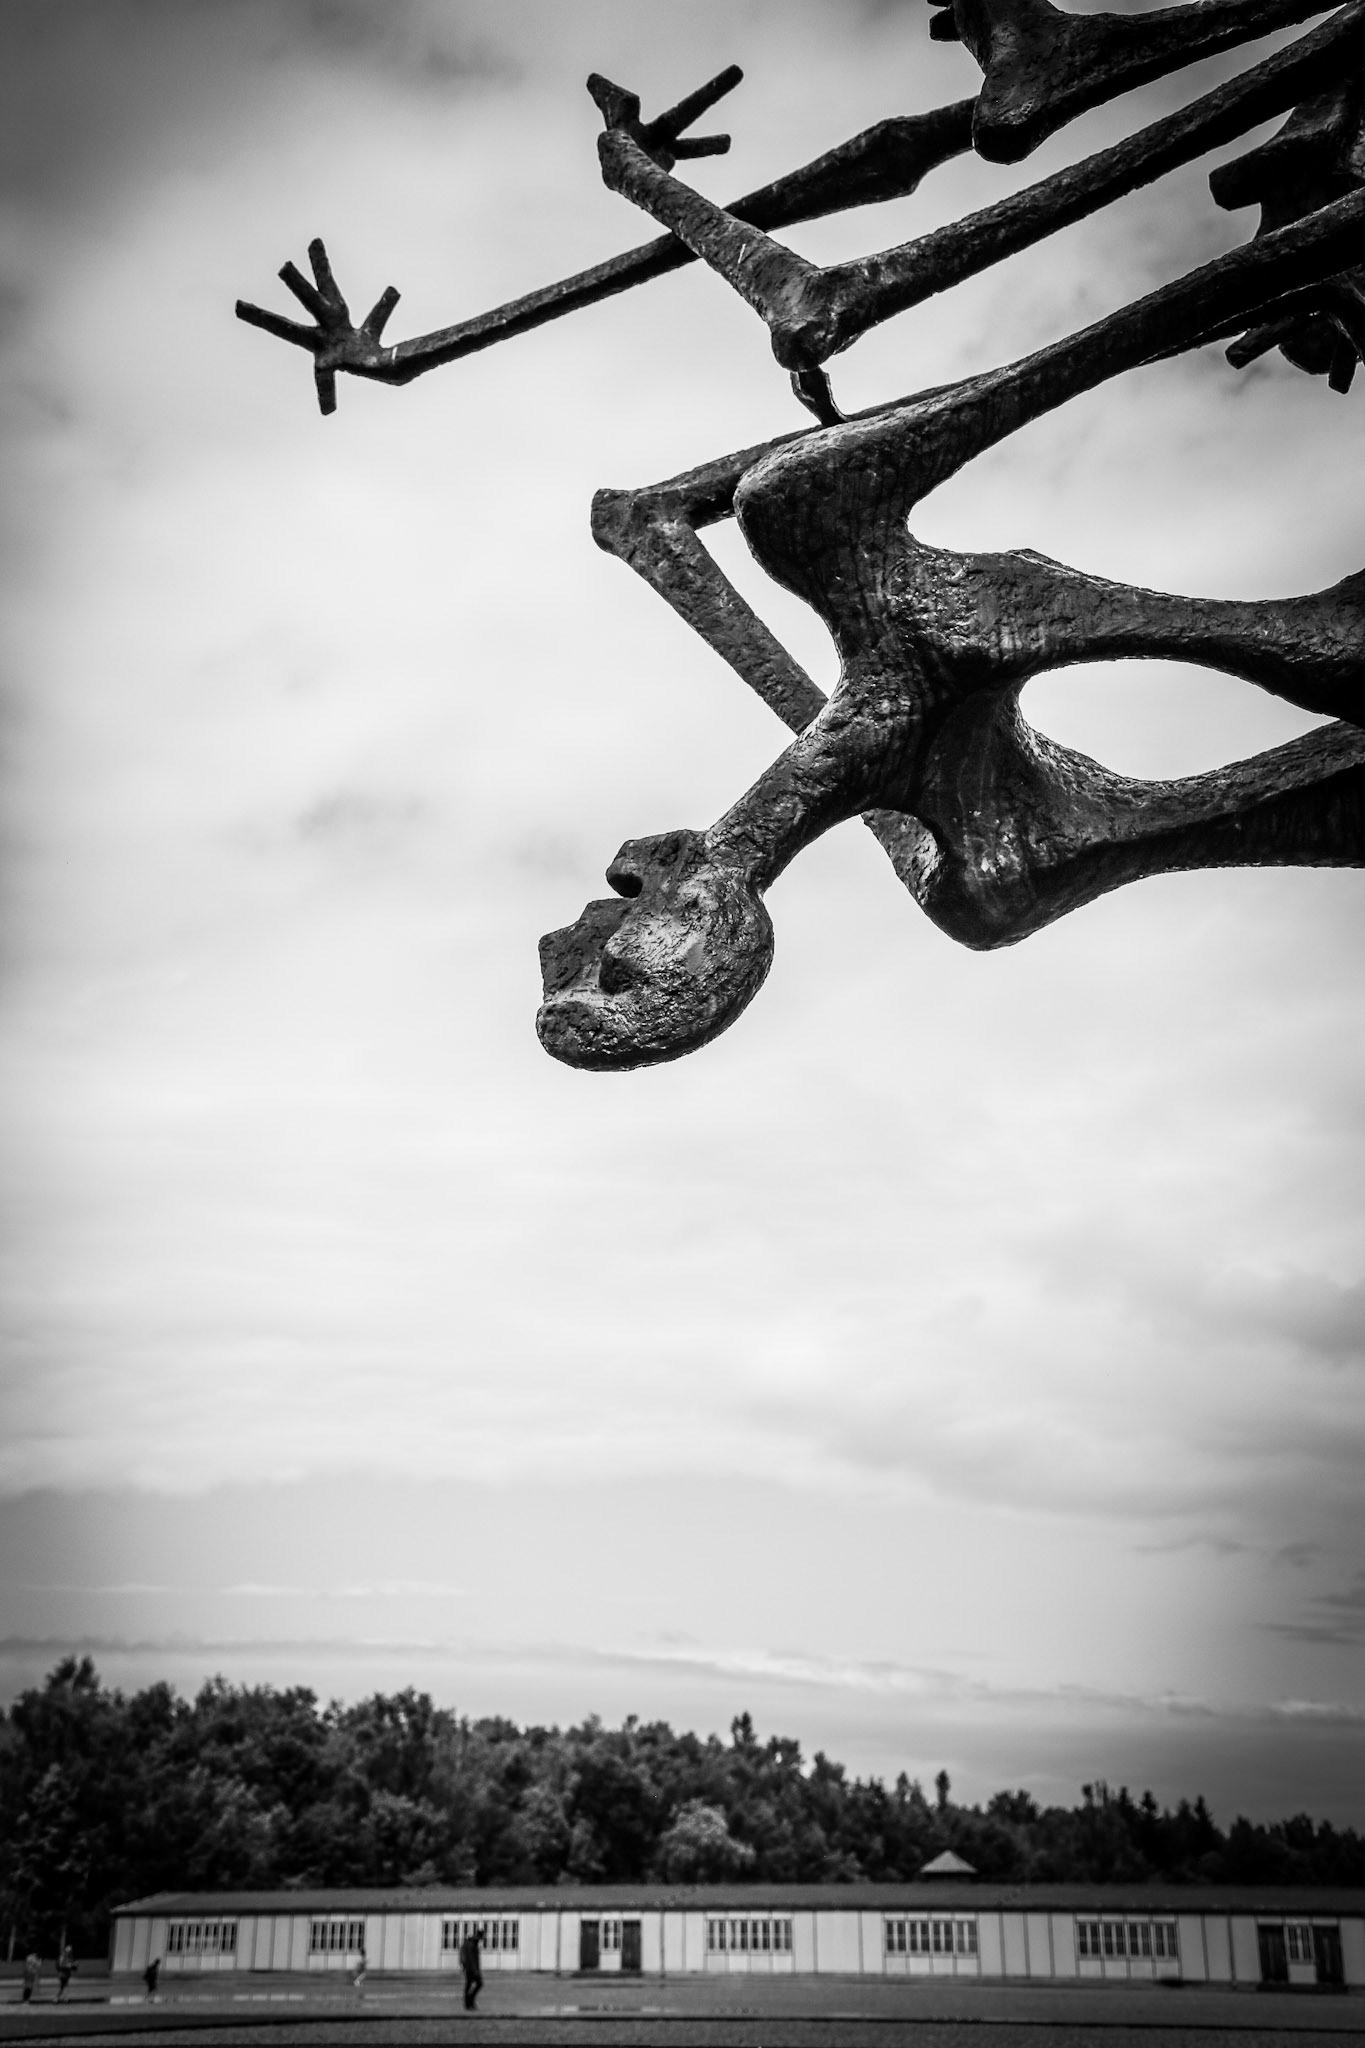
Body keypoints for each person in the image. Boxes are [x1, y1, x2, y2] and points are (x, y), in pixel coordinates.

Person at [459, 1925, 484, 2011]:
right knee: (477, 1984)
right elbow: (471, 1958)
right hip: (471, 1969)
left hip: (469, 1968)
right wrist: (476, 1970)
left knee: (470, 1985)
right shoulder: (472, 1943)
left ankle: (469, 2003)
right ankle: (469, 2002)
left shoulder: (471, 1942)